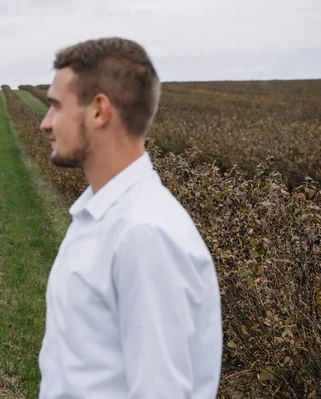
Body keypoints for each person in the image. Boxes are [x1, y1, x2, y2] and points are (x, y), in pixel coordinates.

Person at [38, 38, 222, 398]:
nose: (45, 123)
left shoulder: (143, 234)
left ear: (98, 111)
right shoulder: (102, 214)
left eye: (56, 107)